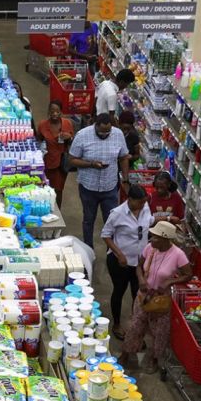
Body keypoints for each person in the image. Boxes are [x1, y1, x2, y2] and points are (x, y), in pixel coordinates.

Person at [118, 220, 192, 373]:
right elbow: (139, 266)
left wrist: (170, 281)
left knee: (159, 332)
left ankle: (154, 359)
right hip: (143, 296)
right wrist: (141, 280)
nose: (152, 239)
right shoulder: (150, 248)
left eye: (156, 237)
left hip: (160, 300)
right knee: (135, 327)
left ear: (165, 239)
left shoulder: (178, 255)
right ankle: (126, 353)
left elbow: (188, 275)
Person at [68, 113, 130, 247]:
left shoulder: (118, 134)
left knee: (111, 221)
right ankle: (88, 248)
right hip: (88, 187)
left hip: (110, 187)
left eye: (107, 132)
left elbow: (124, 157)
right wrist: (91, 164)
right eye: (101, 132)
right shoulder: (82, 135)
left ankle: (111, 251)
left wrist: (125, 179)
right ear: (95, 125)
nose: (105, 135)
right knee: (88, 220)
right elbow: (72, 159)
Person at [102, 186, 152, 340]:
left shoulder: (145, 208)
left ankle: (135, 327)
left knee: (137, 294)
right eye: (140, 202)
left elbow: (150, 222)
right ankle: (116, 324)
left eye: (145, 202)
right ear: (130, 200)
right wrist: (119, 254)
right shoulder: (117, 214)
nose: (143, 205)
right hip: (120, 262)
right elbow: (106, 235)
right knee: (119, 290)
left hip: (140, 263)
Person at [36, 100, 75, 205]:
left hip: (61, 165)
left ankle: (57, 210)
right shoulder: (42, 125)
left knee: (58, 189)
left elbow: (73, 143)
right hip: (47, 163)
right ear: (49, 111)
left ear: (61, 112)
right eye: (52, 111)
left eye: (57, 111)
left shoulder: (67, 124)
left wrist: (69, 137)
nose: (54, 114)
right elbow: (38, 140)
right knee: (46, 187)